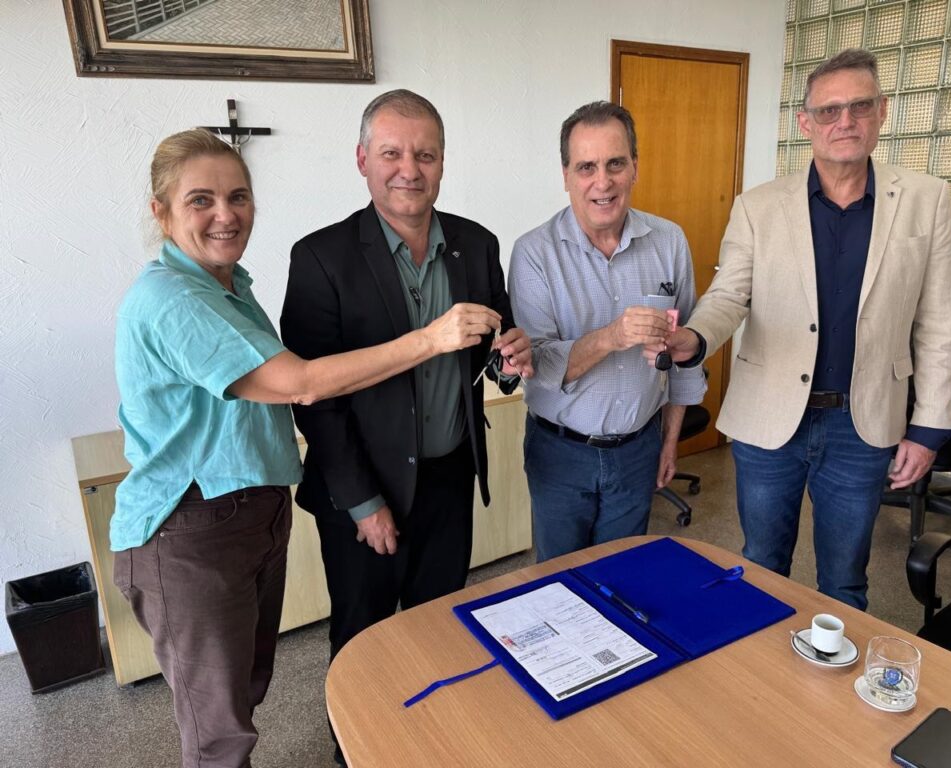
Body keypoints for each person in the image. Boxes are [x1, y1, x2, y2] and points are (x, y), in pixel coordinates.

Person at [113, 128, 498, 768]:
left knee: (245, 691)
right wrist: (429, 340)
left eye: (238, 197)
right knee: (219, 729)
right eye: (200, 200)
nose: (226, 215)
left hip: (255, 511)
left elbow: (487, 350)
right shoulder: (175, 297)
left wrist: (502, 354)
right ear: (161, 212)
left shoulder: (229, 286)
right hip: (190, 522)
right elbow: (306, 384)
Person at [657, 49, 951, 610]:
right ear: (806, 123)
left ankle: (831, 691)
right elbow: (729, 296)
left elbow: (940, 324)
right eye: (828, 111)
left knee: (845, 581)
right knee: (762, 565)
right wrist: (695, 339)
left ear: (881, 111)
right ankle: (759, 684)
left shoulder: (926, 200)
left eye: (859, 106)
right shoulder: (758, 207)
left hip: (862, 421)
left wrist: (928, 428)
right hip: (769, 417)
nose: (844, 121)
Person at [280, 90, 532, 763]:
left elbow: (495, 345)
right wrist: (363, 503)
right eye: (391, 153)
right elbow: (314, 397)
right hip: (365, 490)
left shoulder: (476, 244)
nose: (408, 169)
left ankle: (426, 744)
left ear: (443, 163)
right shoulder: (321, 257)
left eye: (424, 154)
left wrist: (513, 361)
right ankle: (354, 751)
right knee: (363, 638)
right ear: (363, 160)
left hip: (449, 477)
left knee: (441, 626)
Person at [508, 101, 707, 563]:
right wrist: (612, 337)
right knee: (557, 585)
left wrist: (670, 442)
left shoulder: (670, 241)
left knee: (622, 579)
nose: (603, 182)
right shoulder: (534, 253)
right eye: (587, 167)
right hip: (560, 453)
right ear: (565, 175)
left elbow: (684, 358)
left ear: (634, 167)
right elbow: (537, 367)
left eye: (615, 163)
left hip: (639, 449)